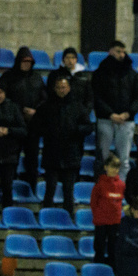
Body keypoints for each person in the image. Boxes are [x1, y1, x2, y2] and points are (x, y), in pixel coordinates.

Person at [0, 46, 46, 186]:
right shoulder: (8, 77)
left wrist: (36, 111)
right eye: (23, 61)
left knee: (32, 159)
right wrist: (18, 112)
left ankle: (31, 188)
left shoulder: (37, 78)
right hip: (13, 125)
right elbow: (1, 98)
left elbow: (44, 99)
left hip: (33, 126)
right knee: (11, 160)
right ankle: (8, 189)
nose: (26, 65)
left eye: (29, 62)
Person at [36, 74, 89, 209]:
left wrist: (75, 129)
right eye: (59, 87)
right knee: (50, 188)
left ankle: (68, 218)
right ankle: (47, 216)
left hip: (71, 153)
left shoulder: (78, 107)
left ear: (69, 88)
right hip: (51, 153)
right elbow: (36, 126)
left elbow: (88, 127)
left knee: (68, 190)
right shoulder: (46, 107)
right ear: (54, 89)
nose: (61, 90)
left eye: (64, 87)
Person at [92, 41, 138, 174]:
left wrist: (128, 113)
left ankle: (120, 191)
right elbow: (96, 97)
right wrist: (110, 114)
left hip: (126, 121)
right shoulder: (100, 73)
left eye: (123, 51)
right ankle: (103, 188)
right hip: (105, 120)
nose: (121, 54)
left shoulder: (132, 74)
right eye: (118, 51)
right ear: (110, 51)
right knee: (103, 158)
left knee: (124, 160)